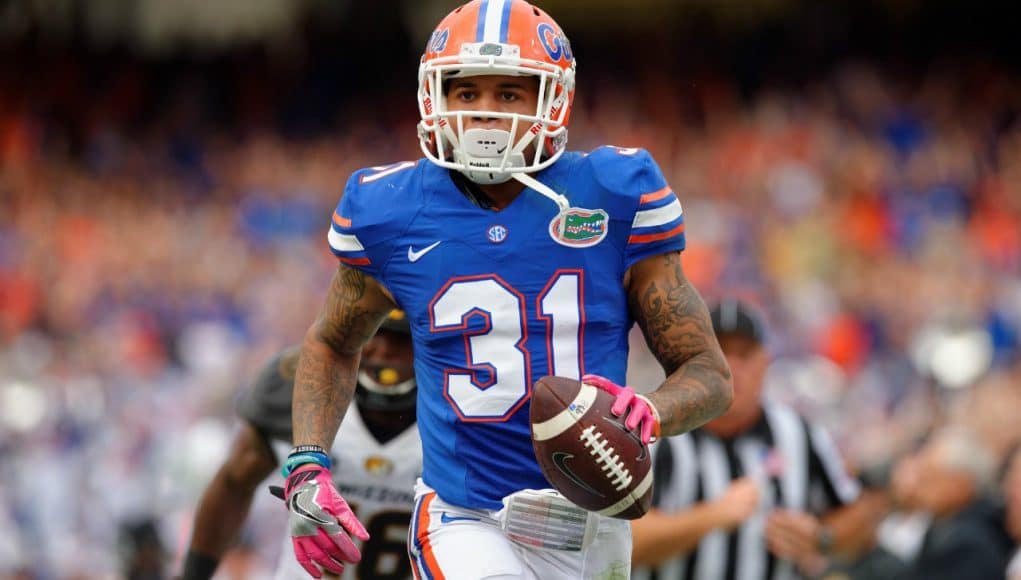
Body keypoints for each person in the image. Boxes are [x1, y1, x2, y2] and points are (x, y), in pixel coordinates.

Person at [280, 1, 734, 578]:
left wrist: (649, 411)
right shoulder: (391, 210)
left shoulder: (614, 194)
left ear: (554, 98)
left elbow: (709, 374)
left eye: (509, 94)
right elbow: (332, 342)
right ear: (434, 98)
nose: (486, 115)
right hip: (465, 518)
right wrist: (308, 464)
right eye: (467, 94)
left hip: (591, 522)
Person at [631, 299, 875, 580]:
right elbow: (625, 539)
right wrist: (711, 516)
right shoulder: (657, 433)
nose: (732, 367)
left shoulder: (798, 434)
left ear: (765, 363)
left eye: (744, 355)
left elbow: (857, 514)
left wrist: (821, 538)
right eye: (720, 352)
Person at [181, 310, 420, 580]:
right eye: (375, 333)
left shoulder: (458, 408)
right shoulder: (297, 384)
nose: (383, 351)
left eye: (401, 340)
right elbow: (234, 483)